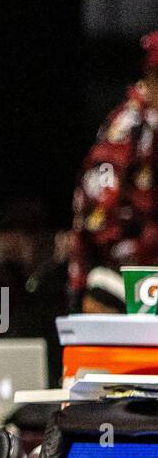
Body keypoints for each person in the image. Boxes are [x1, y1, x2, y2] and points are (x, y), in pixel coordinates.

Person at [70, 31, 158, 306]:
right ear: (152, 77)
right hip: (125, 277)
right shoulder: (126, 129)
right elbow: (98, 222)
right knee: (101, 295)